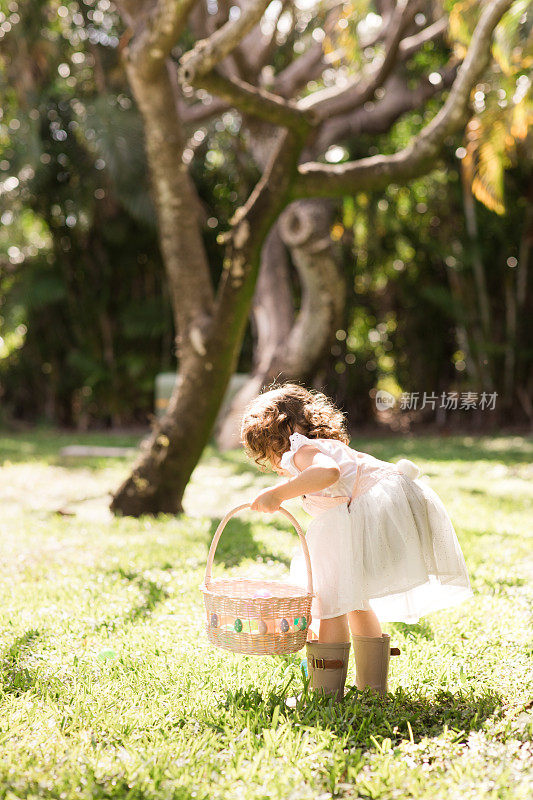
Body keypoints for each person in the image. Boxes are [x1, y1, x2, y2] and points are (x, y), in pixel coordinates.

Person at [241, 383, 473, 700]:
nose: (273, 465)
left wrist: (279, 493)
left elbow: (328, 474)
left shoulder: (302, 451)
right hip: (369, 513)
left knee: (331, 605)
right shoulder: (321, 445)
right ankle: (373, 689)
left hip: (358, 518)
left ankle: (325, 693)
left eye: (268, 454)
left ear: (279, 438)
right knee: (356, 602)